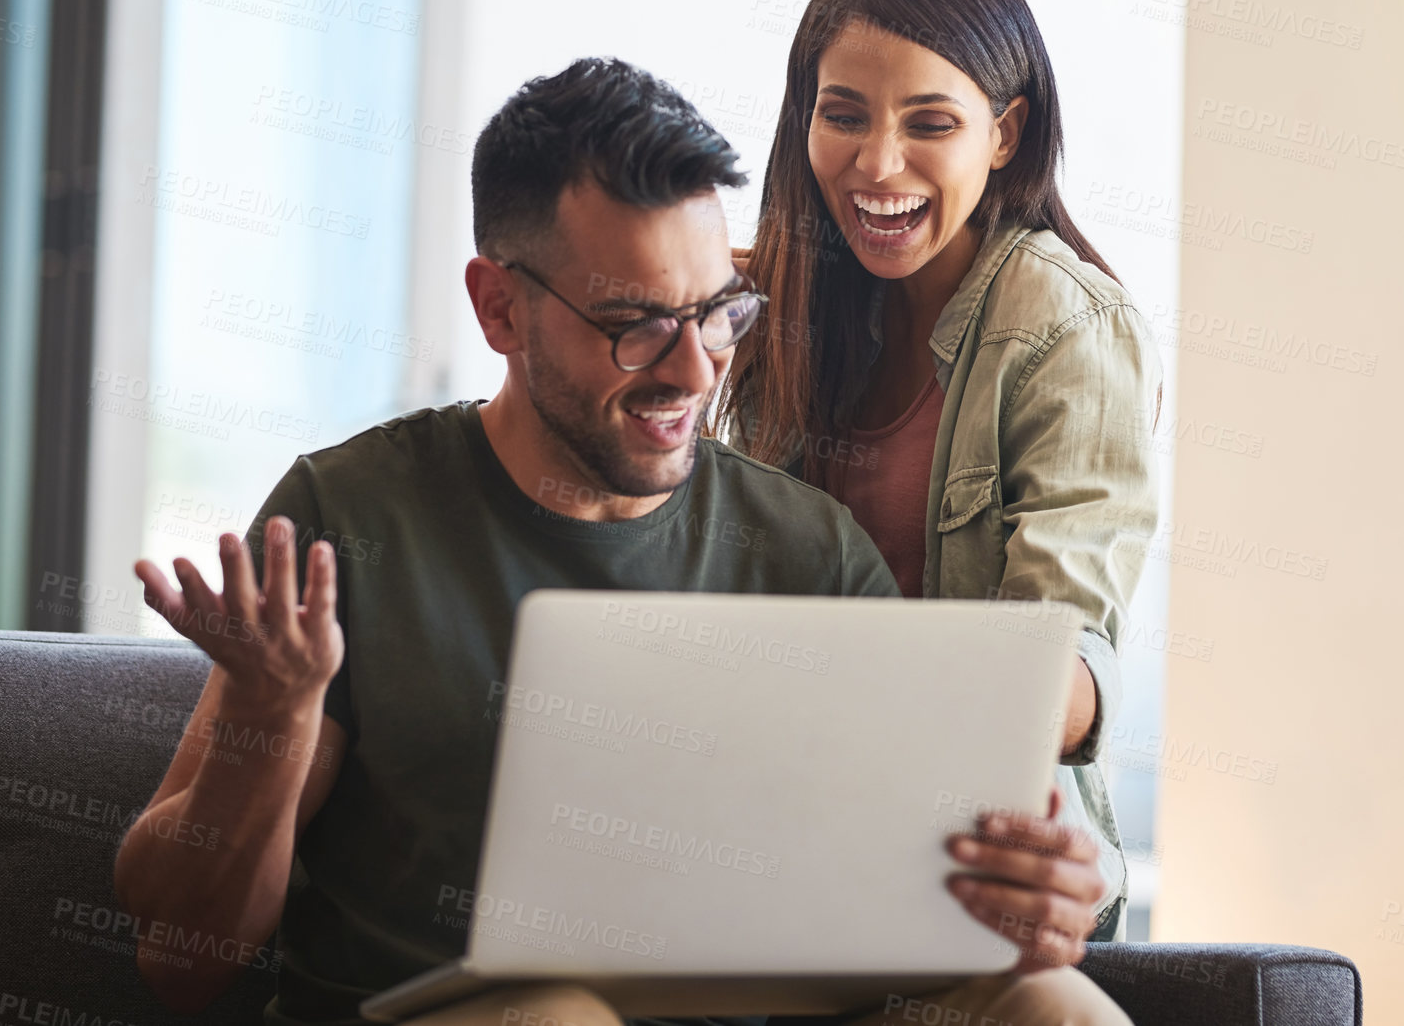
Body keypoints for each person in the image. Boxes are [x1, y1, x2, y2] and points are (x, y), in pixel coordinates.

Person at [113, 57, 1131, 1026]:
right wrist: (275, 710)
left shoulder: (806, 551)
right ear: (499, 307)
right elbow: (182, 962)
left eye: (717, 312)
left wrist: (1032, 895)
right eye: (637, 324)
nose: (694, 372)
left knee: (1054, 1007)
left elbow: (919, 894)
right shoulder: (352, 517)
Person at [717, 0, 1162, 943]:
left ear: (1003, 135)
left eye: (931, 123)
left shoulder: (1062, 322)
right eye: (842, 116)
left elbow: (1067, 650)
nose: (877, 165)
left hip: (978, 862)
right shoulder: (778, 313)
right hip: (776, 845)